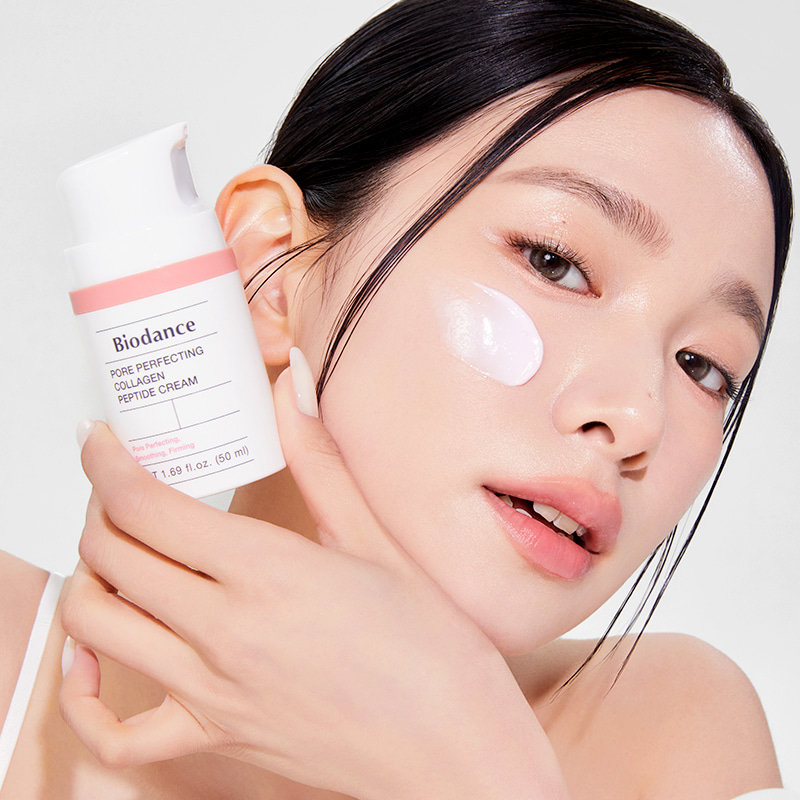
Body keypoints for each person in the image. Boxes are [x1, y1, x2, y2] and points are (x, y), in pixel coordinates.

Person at [0, 0, 796, 797]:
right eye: (554, 261)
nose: (638, 417)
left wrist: (475, 774)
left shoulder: (675, 738)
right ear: (272, 267)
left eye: (705, 367)